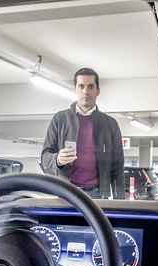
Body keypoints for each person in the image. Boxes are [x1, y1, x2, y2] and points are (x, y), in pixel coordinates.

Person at [41, 68, 125, 199]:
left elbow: (118, 168)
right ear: (74, 89)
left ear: (98, 90)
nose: (85, 91)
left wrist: (120, 203)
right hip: (67, 192)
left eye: (90, 86)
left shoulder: (110, 124)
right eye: (81, 86)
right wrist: (58, 159)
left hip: (97, 194)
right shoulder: (60, 119)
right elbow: (45, 157)